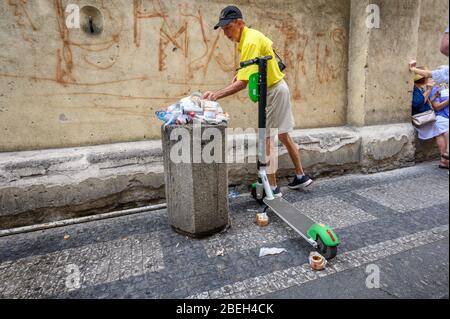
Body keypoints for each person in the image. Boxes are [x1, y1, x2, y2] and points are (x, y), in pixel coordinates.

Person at [203, 6, 313, 197]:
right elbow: (250, 69)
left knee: (266, 139)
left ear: (240, 23)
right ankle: (301, 176)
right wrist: (239, 73)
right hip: (280, 87)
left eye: (228, 27)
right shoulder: (248, 38)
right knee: (284, 135)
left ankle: (273, 188)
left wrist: (216, 95)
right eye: (223, 29)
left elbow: (243, 84)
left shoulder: (250, 42)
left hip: (272, 91)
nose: (226, 33)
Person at [412, 72, 449, 169]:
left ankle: (444, 161)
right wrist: (429, 90)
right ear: (423, 80)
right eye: (430, 78)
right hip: (423, 118)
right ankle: (446, 155)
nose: (433, 80)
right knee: (446, 128)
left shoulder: (420, 88)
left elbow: (426, 102)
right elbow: (419, 104)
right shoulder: (416, 89)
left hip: (429, 117)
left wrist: (434, 96)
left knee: (441, 132)